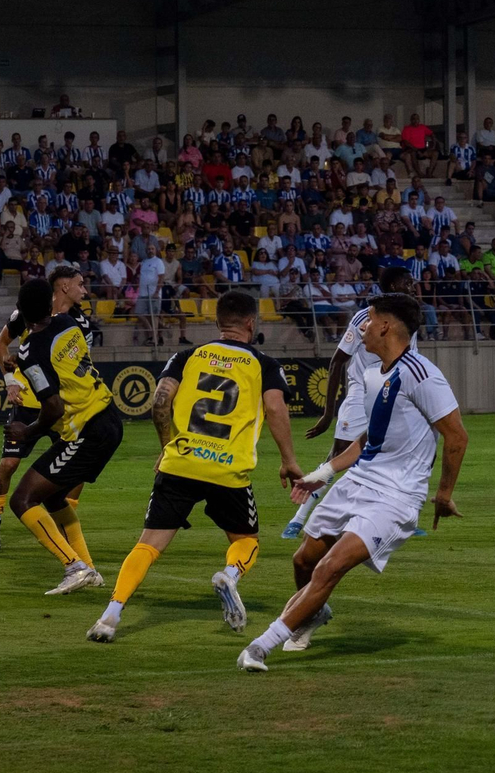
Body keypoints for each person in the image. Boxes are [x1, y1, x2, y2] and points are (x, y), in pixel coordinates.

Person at [238, 293, 468, 671]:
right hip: (360, 481)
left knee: (330, 568)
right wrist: (321, 475)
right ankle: (312, 612)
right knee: (304, 562)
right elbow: (368, 441)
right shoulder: (374, 374)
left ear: (385, 326)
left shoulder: (421, 373)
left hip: (396, 497)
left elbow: (457, 436)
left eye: (369, 319)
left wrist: (443, 495)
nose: (361, 326)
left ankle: (261, 646)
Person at [88, 290, 303, 643]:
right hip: (228, 471)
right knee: (246, 540)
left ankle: (110, 616)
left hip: (181, 462)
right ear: (251, 323)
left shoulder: (186, 356)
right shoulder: (264, 364)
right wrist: (289, 461)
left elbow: (160, 400)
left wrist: (165, 447)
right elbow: (277, 408)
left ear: (219, 322)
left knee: (148, 545)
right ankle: (230, 575)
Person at [4, 277, 124, 596]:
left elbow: (53, 408)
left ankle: (74, 566)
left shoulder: (31, 352)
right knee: (55, 496)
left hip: (87, 429)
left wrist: (27, 431)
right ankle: (87, 568)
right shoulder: (68, 321)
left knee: (22, 499)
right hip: (109, 417)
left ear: (21, 312)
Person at [288, 267, 419, 540]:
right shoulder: (366, 317)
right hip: (361, 394)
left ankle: (402, 518)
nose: (414, 285)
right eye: (409, 282)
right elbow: (337, 362)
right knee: (338, 457)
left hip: (391, 393)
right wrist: (328, 413)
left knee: (400, 455)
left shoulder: (409, 320)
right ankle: (299, 518)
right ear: (395, 285)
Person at [0, 266, 98, 550]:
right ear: (64, 288)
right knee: (8, 465)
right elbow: (1, 343)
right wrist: (10, 381)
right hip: (29, 404)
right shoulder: (29, 312)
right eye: (80, 284)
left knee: (78, 469)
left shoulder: (81, 323)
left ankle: (63, 517)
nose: (85, 290)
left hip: (63, 409)